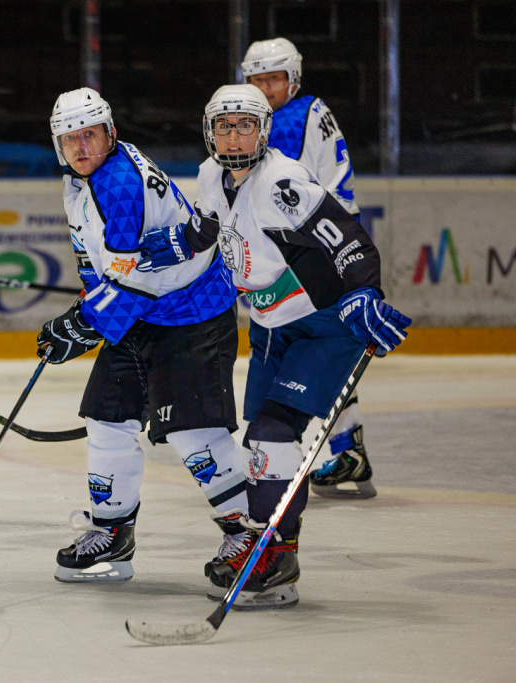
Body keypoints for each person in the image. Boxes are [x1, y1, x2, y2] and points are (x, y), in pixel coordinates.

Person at [138, 84, 410, 608]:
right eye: (224, 126)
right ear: (209, 131)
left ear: (263, 131)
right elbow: (208, 226)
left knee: (273, 435)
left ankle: (276, 556)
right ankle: (269, 547)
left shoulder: (283, 182)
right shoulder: (209, 175)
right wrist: (177, 243)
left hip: (322, 323)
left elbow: (350, 240)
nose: (234, 136)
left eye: (245, 125)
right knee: (260, 447)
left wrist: (363, 293)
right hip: (268, 326)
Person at [37, 88, 249, 584]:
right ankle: (112, 533)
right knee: (108, 418)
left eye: (90, 135)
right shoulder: (85, 179)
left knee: (193, 432)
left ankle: (250, 535)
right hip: (145, 314)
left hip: (191, 313)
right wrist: (87, 310)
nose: (81, 147)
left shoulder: (116, 184)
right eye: (70, 139)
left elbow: (131, 282)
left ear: (110, 133)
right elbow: (110, 268)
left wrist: (83, 324)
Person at [240, 37, 373, 498]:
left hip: (313, 247)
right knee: (321, 352)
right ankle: (347, 447)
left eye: (273, 79)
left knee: (297, 347)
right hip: (324, 240)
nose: (265, 88)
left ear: (292, 80)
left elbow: (275, 190)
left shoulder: (290, 118)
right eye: (257, 79)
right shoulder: (313, 109)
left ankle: (279, 450)